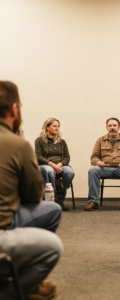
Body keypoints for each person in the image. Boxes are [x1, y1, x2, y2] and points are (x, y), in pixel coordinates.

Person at [0, 81, 63, 300]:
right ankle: (16, 289)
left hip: (58, 168)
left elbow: (66, 158)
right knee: (52, 220)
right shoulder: (19, 144)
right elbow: (33, 196)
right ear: (14, 109)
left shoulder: (59, 142)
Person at [85, 117, 120, 211]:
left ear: (119, 127)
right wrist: (98, 162)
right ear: (106, 128)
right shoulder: (100, 140)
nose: (112, 127)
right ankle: (93, 201)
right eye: (110, 126)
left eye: (114, 125)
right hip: (105, 169)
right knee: (93, 170)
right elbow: (94, 157)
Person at [35, 118, 75, 211]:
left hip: (59, 166)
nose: (57, 128)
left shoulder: (62, 141)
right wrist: (52, 165)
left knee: (69, 172)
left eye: (58, 126)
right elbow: (38, 156)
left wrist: (60, 165)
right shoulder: (39, 141)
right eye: (54, 126)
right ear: (47, 127)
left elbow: (67, 157)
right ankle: (52, 199)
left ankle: (59, 199)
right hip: (45, 165)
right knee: (49, 171)